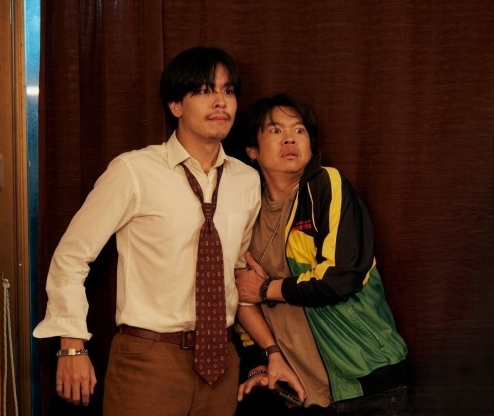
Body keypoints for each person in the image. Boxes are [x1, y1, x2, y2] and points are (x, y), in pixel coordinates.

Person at [33, 46, 265, 416]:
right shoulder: (134, 171)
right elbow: (71, 256)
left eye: (228, 90)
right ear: (175, 105)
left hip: (221, 363)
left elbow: (234, 269)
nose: (220, 101)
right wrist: (71, 345)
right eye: (205, 90)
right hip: (149, 359)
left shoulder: (247, 180)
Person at [234, 93, 409, 415]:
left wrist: (265, 289)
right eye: (275, 130)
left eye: (299, 130)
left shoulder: (325, 184)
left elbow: (340, 277)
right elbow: (239, 297)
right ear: (252, 150)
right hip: (303, 391)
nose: (290, 138)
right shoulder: (246, 211)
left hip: (366, 378)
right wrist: (259, 362)